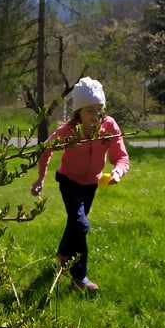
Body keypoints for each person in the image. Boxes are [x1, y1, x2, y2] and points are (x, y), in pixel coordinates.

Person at [31, 77, 129, 292]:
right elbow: (45, 149)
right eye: (89, 111)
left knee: (75, 223)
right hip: (69, 181)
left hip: (91, 183)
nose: (96, 116)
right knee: (81, 225)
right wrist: (40, 178)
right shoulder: (69, 131)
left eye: (99, 109)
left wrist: (117, 172)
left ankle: (63, 254)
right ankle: (79, 277)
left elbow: (121, 157)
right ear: (78, 112)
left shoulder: (109, 125)